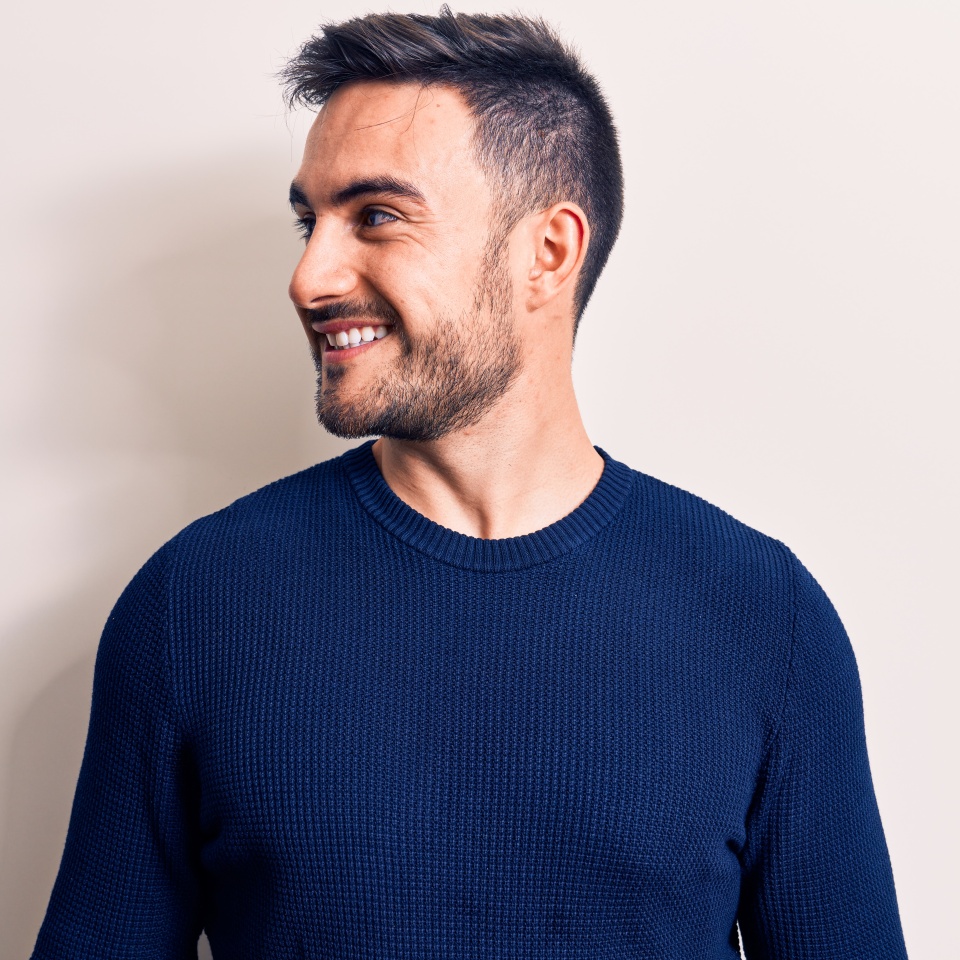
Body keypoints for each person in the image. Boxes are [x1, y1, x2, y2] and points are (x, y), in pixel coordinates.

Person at [32, 9, 908, 959]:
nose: (308, 277)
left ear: (549, 253)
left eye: (376, 216)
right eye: (309, 222)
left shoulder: (764, 617)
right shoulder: (194, 604)